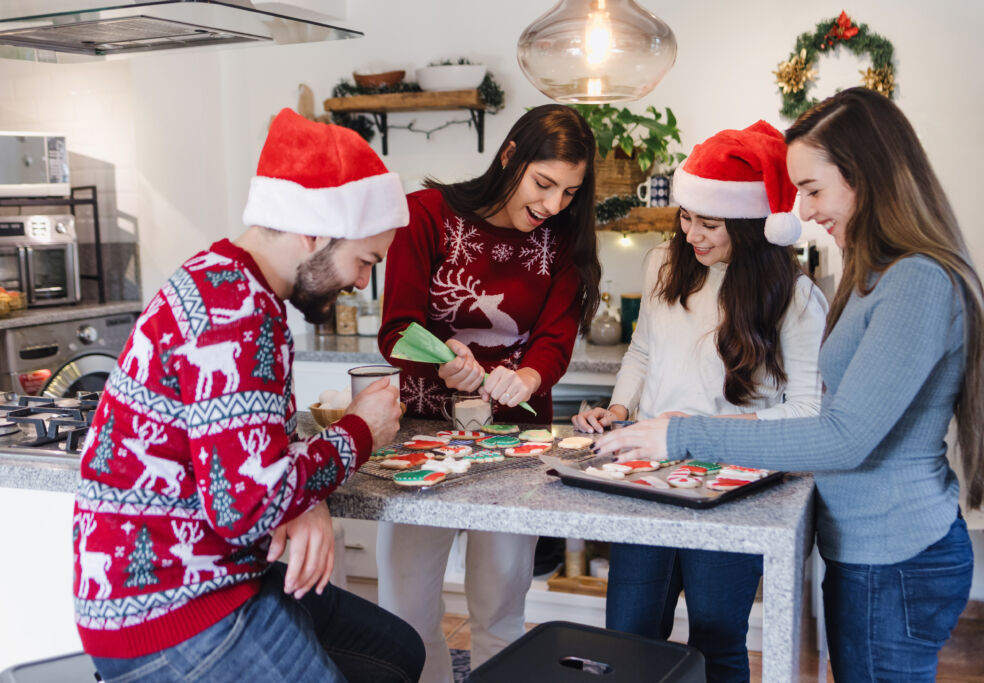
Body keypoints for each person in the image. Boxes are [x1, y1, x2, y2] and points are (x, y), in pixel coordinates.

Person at [594, 88, 984, 682]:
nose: (802, 211)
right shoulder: (879, 273)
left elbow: (842, 435)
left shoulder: (915, 280)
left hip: (895, 554)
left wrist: (682, 435)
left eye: (811, 189)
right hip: (868, 549)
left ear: (867, 176)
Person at [73, 108, 424, 683]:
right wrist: (361, 431)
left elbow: (249, 452)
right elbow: (247, 506)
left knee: (396, 653)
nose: (363, 283)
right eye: (365, 261)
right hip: (174, 609)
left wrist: (308, 497)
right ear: (313, 231)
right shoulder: (238, 311)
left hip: (209, 579)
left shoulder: (227, 279)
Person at [573, 120, 827, 682]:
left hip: (732, 486)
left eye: (709, 223)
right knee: (629, 634)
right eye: (685, 217)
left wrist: (704, 427)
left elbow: (808, 413)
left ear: (755, 224)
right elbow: (642, 352)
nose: (691, 234)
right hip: (645, 477)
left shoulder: (795, 296)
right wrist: (618, 411)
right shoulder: (664, 263)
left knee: (717, 639)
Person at [376, 104, 600, 681]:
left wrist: (527, 377)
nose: (553, 205)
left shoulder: (561, 238)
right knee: (406, 611)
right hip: (423, 438)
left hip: (515, 447)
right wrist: (444, 356)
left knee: (500, 610)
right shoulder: (426, 215)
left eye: (569, 192)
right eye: (544, 183)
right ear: (510, 156)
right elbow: (397, 327)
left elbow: (555, 338)